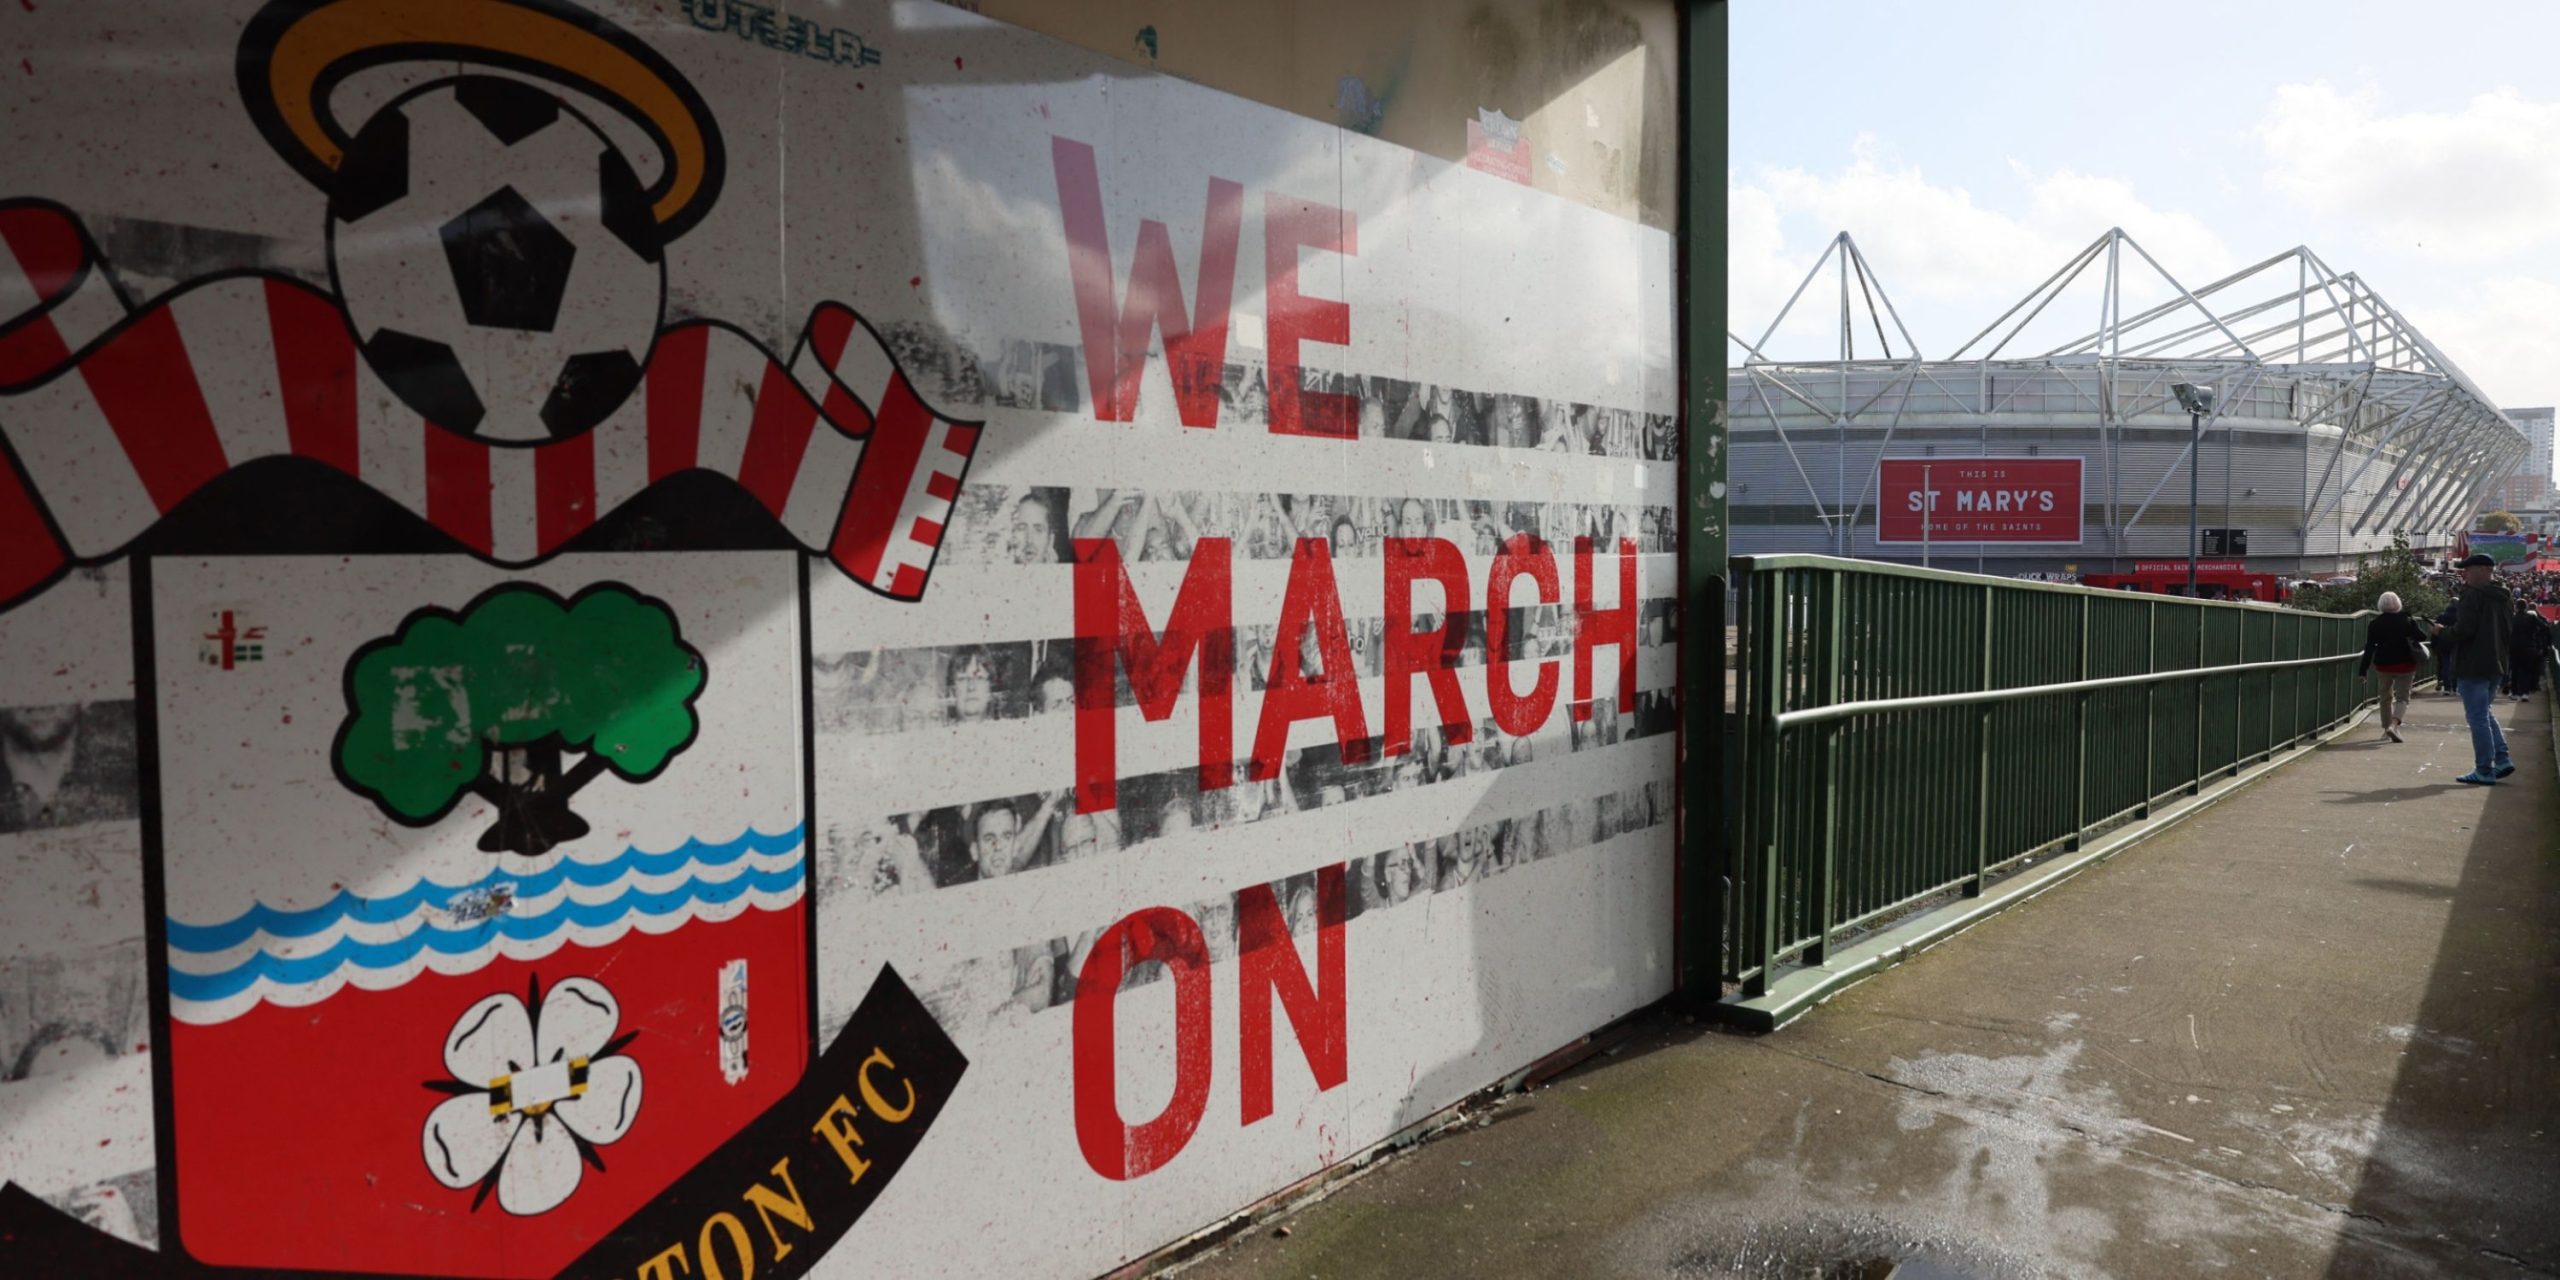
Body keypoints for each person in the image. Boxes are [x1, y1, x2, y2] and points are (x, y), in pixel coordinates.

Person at [2444, 553, 2515, 785]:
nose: (2463, 573)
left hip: (2472, 663)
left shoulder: (2472, 595)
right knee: (2485, 712)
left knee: (2477, 717)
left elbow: (2464, 630)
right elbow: (2508, 630)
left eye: (2467, 569)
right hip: (2496, 662)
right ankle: (2502, 759)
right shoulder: (2504, 596)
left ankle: (2484, 769)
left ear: (2483, 570)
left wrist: (2442, 632)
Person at [2358, 592, 2431, 743]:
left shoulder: (2375, 623)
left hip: (2383, 665)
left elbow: (2369, 648)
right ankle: (2394, 725)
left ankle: (2386, 729)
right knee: (2403, 697)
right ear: (2398, 604)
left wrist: (2363, 670)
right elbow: (2422, 636)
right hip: (2405, 664)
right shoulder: (2407, 620)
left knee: (2385, 698)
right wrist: (2411, 625)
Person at [2510, 599, 2551, 702]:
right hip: (2529, 646)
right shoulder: (2531, 617)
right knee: (2526, 670)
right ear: (2526, 607)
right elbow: (2545, 627)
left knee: (2514, 670)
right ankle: (2525, 693)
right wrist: (2535, 633)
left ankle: (2514, 693)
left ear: (2516, 607)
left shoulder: (2512, 618)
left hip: (2514, 647)